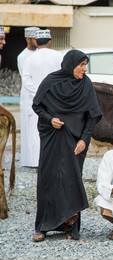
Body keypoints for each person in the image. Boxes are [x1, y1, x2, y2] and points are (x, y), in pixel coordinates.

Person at [31, 49, 102, 242]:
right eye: (81, 65)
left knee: (72, 180)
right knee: (49, 179)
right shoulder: (51, 81)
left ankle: (71, 227)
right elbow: (37, 105)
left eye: (85, 65)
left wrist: (84, 139)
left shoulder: (85, 84)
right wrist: (50, 119)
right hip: (53, 137)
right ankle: (43, 226)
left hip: (76, 141)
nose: (84, 69)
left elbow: (92, 115)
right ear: (70, 65)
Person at [22, 29, 63, 167]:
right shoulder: (59, 56)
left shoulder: (29, 58)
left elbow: (26, 80)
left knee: (35, 129)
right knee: (57, 128)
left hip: (37, 101)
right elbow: (64, 77)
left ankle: (36, 162)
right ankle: (55, 159)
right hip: (57, 100)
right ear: (50, 42)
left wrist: (38, 94)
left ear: (37, 42)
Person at [17, 27, 40, 168]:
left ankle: (37, 158)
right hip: (28, 96)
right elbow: (26, 79)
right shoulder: (22, 56)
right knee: (28, 128)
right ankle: (29, 160)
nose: (37, 41)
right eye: (34, 39)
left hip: (40, 95)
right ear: (28, 39)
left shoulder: (40, 54)